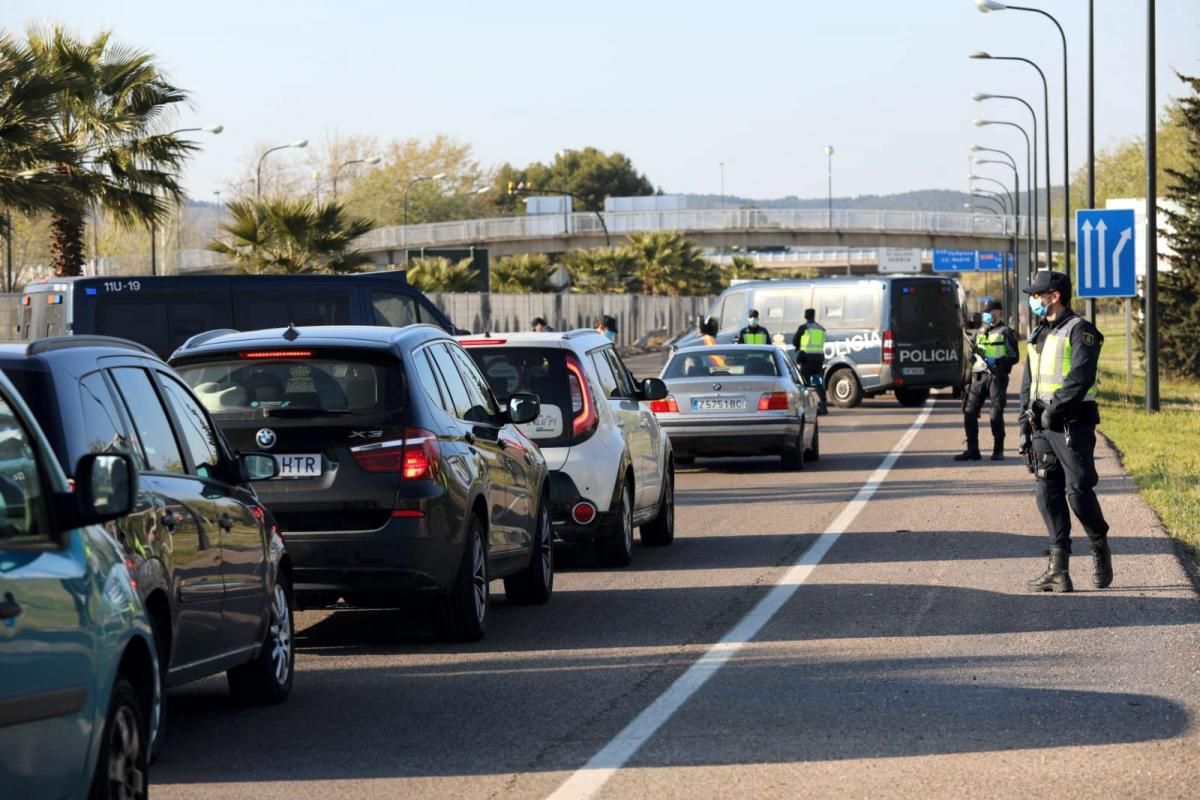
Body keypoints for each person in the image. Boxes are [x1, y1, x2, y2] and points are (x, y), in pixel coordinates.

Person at [1019, 270, 1112, 593]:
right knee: (1047, 492)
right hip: (1041, 426)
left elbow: (1081, 377)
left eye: (1036, 295)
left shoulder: (1080, 330)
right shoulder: (1039, 332)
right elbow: (1029, 382)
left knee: (1078, 492)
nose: (1032, 300)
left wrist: (1053, 408)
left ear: (1054, 296)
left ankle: (1099, 545)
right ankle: (1058, 569)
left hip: (1072, 423)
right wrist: (1023, 422)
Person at [954, 300, 1019, 461]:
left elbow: (1014, 357)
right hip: (978, 376)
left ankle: (998, 450)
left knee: (995, 414)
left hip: (997, 377)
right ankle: (972, 450)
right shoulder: (980, 331)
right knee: (969, 412)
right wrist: (971, 355)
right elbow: (972, 356)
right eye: (985, 313)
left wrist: (996, 361)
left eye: (991, 312)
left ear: (998, 313)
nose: (988, 316)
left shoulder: (1006, 332)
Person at [791, 308, 828, 414]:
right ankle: (823, 406)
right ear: (814, 316)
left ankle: (804, 407)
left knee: (804, 384)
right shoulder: (821, 328)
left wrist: (799, 348)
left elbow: (794, 341)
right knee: (817, 383)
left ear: (805, 316)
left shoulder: (804, 328)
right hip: (818, 359)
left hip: (807, 359)